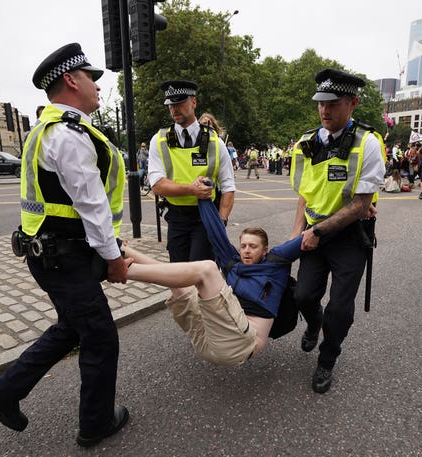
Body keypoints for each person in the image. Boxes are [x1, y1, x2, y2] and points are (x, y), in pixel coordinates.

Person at [0, 43, 129, 448]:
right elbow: (91, 203)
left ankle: (4, 392)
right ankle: (96, 424)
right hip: (66, 257)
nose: (96, 85)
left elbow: (70, 204)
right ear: (70, 80)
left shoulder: (46, 129)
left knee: (72, 328)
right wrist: (113, 258)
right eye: (91, 77)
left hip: (51, 254)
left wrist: (106, 243)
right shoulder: (69, 134)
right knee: (100, 338)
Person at [289, 68, 385, 394]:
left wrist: (319, 231)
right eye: (320, 103)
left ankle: (327, 359)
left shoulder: (369, 144)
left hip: (349, 236)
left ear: (353, 103)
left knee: (340, 310)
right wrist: (298, 230)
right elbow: (305, 191)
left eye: (333, 103)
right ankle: (313, 322)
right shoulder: (306, 142)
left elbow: (361, 204)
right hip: (314, 231)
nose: (324, 111)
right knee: (303, 295)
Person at [124, 194, 303, 366]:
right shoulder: (233, 263)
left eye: (253, 246)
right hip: (206, 339)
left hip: (242, 345)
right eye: (243, 246)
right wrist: (204, 199)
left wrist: (322, 227)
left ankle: (124, 271)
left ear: (265, 250)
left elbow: (306, 239)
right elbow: (215, 231)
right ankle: (122, 251)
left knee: (209, 270)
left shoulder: (276, 264)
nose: (246, 250)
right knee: (180, 286)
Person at [148, 80, 235, 263]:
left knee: (200, 273)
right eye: (170, 105)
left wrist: (221, 222)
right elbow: (157, 186)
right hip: (176, 218)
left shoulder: (215, 142)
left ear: (193, 102)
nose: (174, 109)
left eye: (179, 103)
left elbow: (228, 186)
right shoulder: (159, 139)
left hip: (205, 217)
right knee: (178, 273)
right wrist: (192, 190)